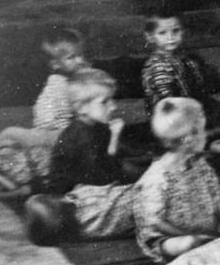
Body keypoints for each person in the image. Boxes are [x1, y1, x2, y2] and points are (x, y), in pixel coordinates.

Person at [22, 68, 138, 245]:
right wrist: (114, 139)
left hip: (92, 179)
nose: (113, 106)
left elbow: (112, 157)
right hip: (74, 197)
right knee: (132, 179)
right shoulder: (80, 135)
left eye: (112, 99)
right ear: (81, 108)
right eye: (105, 102)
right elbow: (102, 177)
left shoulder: (96, 126)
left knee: (132, 168)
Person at [0, 28, 91, 196]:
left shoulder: (64, 78)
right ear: (55, 64)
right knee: (12, 135)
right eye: (72, 57)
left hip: (55, 132)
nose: (80, 60)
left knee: (14, 137)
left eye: (81, 55)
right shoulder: (64, 83)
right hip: (54, 133)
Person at [132, 97, 220, 261]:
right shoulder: (158, 176)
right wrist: (192, 234)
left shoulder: (199, 163)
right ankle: (205, 247)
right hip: (173, 234)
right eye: (202, 131)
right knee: (187, 243)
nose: (206, 135)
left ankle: (211, 244)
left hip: (205, 226)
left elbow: (218, 196)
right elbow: (155, 222)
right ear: (189, 139)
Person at [141, 9, 220, 122]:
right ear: (150, 37)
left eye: (176, 31)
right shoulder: (158, 65)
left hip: (189, 110)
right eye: (162, 33)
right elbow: (167, 100)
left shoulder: (185, 58)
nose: (171, 37)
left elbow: (199, 88)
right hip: (170, 118)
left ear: (183, 31)